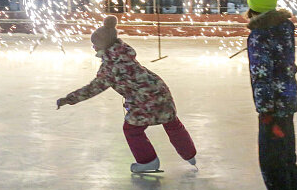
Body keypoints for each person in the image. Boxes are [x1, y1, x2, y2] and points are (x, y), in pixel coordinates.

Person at [56, 15, 197, 173]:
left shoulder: (110, 67)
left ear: (103, 45)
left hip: (144, 100)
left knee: (132, 130)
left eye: (94, 44)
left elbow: (92, 89)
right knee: (172, 123)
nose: (93, 48)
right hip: (160, 91)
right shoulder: (124, 53)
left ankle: (148, 161)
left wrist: (69, 99)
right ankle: (190, 155)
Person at [245, 0, 297, 190]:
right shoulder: (285, 27)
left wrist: (265, 110)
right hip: (288, 99)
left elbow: (262, 74)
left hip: (272, 106)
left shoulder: (259, 35)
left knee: (271, 156)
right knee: (287, 152)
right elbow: (287, 64)